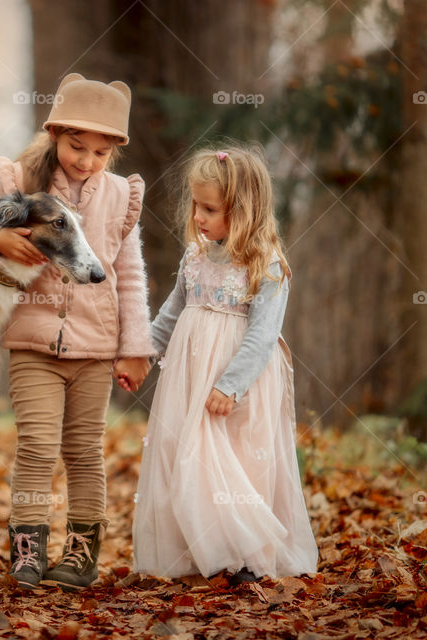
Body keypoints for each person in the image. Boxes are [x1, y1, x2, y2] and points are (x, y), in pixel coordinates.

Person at [0, 73, 155, 591]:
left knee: (84, 451)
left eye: (100, 152)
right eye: (76, 146)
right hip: (33, 342)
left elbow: (130, 275)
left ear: (114, 154)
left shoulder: (121, 198)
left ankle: (81, 556)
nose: (86, 160)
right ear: (56, 134)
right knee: (37, 446)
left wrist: (135, 348)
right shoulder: (18, 184)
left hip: (95, 347)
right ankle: (27, 552)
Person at [132, 144, 318, 585]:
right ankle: (200, 551)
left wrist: (231, 384)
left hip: (237, 383)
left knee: (233, 466)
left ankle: (246, 556)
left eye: (210, 209)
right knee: (188, 461)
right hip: (188, 380)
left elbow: (263, 335)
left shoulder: (266, 265)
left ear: (244, 210)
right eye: (197, 205)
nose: (199, 216)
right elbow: (170, 315)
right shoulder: (194, 257)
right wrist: (141, 353)